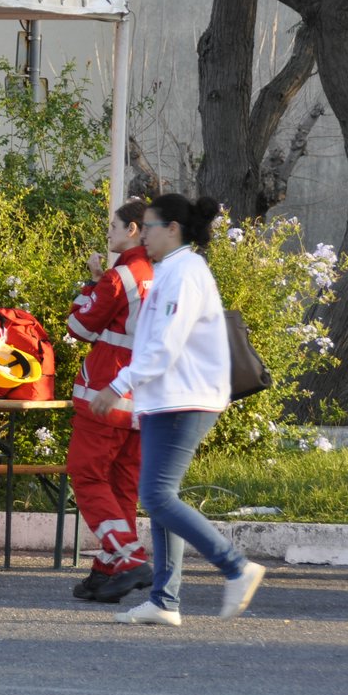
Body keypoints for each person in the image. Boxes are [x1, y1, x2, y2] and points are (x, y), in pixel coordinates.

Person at [91, 194, 267, 625]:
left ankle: (235, 567)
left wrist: (118, 385)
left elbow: (164, 345)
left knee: (156, 495)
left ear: (173, 229)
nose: (142, 233)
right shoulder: (171, 270)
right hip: (168, 399)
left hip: (185, 399)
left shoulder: (185, 273)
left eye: (149, 226)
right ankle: (164, 601)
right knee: (158, 499)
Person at [65, 198, 155, 602]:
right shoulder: (160, 272)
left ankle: (129, 558)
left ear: (133, 229)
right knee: (121, 487)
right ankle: (107, 572)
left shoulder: (121, 276)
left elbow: (79, 327)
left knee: (86, 476)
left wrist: (91, 284)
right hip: (145, 397)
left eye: (114, 226)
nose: (109, 232)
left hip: (106, 392)